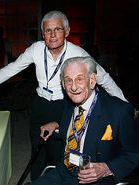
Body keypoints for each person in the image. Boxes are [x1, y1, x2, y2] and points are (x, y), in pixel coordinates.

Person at [0, 10, 127, 180]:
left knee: (59, 152)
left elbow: (103, 77)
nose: (52, 35)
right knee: (37, 149)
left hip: (64, 106)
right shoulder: (36, 49)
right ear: (43, 33)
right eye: (48, 31)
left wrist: (125, 104)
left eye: (57, 29)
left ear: (66, 31)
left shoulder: (78, 53)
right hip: (40, 104)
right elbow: (11, 68)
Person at [28, 56, 139, 185]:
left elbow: (135, 153)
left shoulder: (119, 111)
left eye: (79, 79)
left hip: (94, 179)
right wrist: (57, 124)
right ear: (63, 85)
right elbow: (74, 125)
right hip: (64, 169)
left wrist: (106, 168)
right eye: (68, 80)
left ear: (92, 80)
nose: (73, 87)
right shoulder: (69, 102)